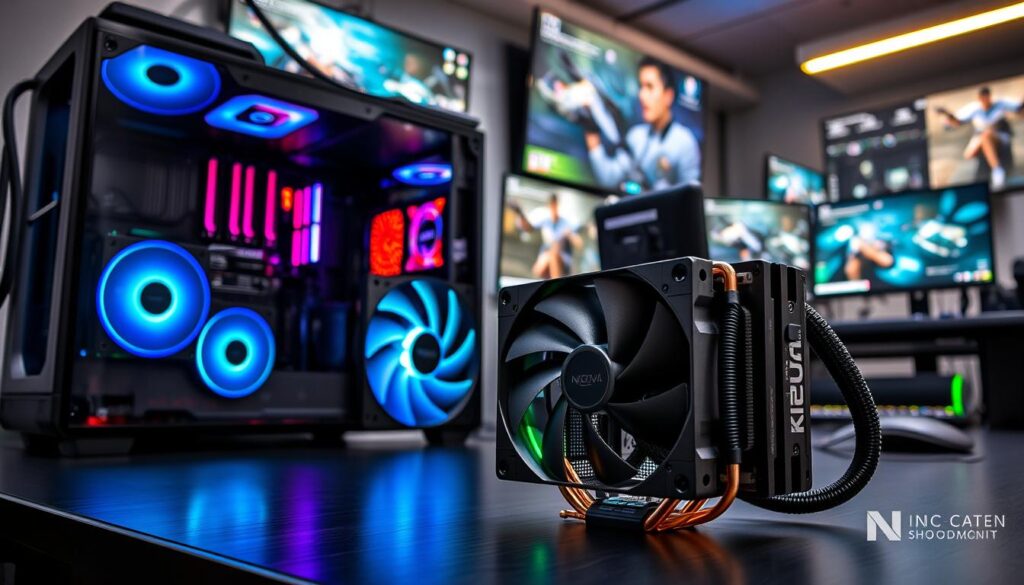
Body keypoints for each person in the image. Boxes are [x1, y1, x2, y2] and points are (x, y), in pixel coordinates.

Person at [584, 57, 701, 191]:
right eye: (641, 87)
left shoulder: (685, 143)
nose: (642, 95)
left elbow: (690, 200)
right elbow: (608, 179)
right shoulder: (635, 137)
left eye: (649, 87)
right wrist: (591, 135)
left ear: (668, 96)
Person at [936, 86, 1024, 190]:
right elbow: (957, 121)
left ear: (989, 96)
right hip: (982, 140)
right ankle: (991, 164)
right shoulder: (975, 109)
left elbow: (1019, 108)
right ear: (979, 98)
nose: (985, 100)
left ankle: (997, 170)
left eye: (986, 97)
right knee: (972, 150)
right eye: (982, 98)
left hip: (1001, 137)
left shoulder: (1000, 104)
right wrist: (946, 113)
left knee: (986, 135)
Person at [510, 194, 584, 279]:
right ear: (548, 206)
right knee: (546, 257)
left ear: (558, 206)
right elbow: (528, 228)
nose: (553, 209)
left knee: (553, 252)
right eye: (551, 206)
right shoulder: (546, 221)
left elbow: (579, 244)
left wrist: (569, 234)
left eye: (555, 206)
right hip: (546, 259)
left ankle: (555, 281)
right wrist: (520, 213)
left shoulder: (566, 223)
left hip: (563, 261)